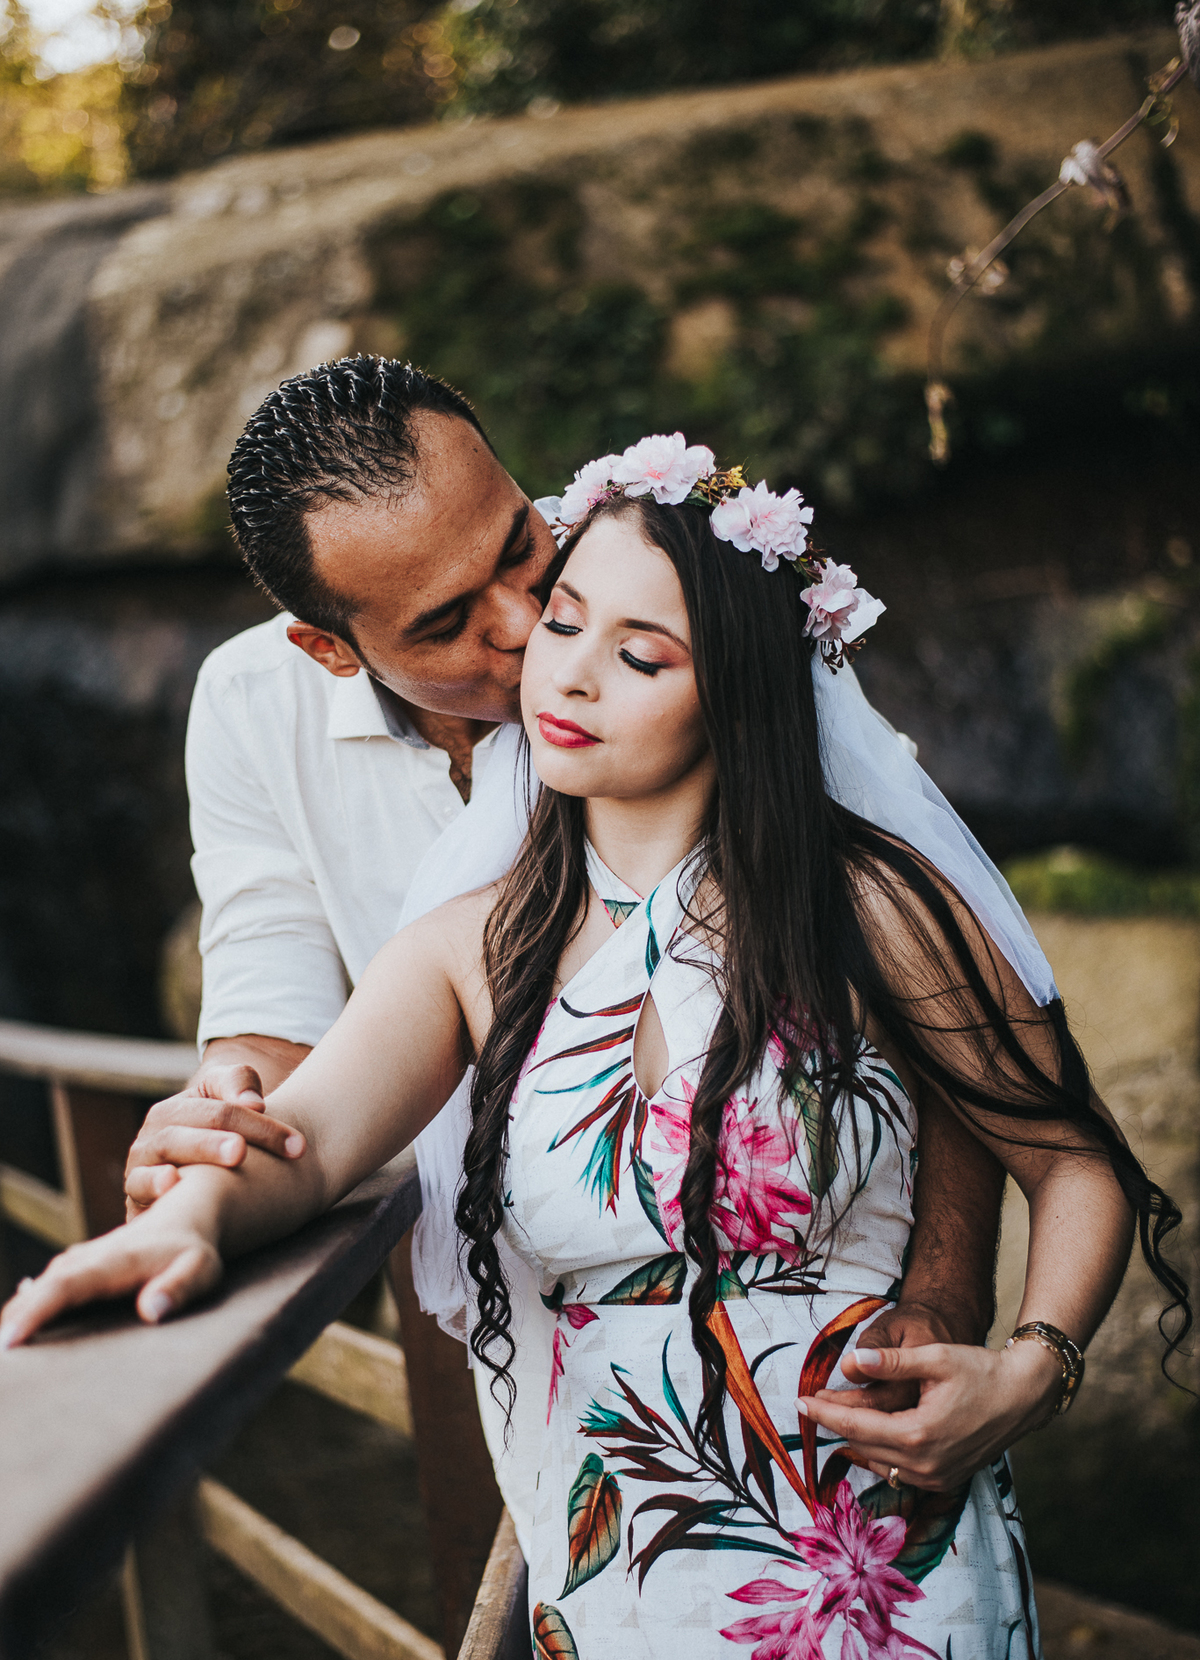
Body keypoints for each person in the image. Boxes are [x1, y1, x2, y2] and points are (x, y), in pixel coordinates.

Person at [4, 443, 1188, 1660]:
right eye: (565, 618)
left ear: (734, 692)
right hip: (621, 1564)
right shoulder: (471, 945)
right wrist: (190, 1221)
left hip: (876, 1558)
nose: (563, 670)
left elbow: (1070, 1154)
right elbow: (313, 1133)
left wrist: (1036, 1365)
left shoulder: (873, 907)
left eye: (642, 653)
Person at [119, 357, 1008, 1504]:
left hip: (840, 1342)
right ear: (330, 648)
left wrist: (947, 1299)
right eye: (446, 622)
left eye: (515, 549)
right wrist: (209, 1156)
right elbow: (275, 1030)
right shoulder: (249, 707)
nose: (528, 623)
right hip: (550, 1357)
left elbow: (950, 988)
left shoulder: (671, 593)